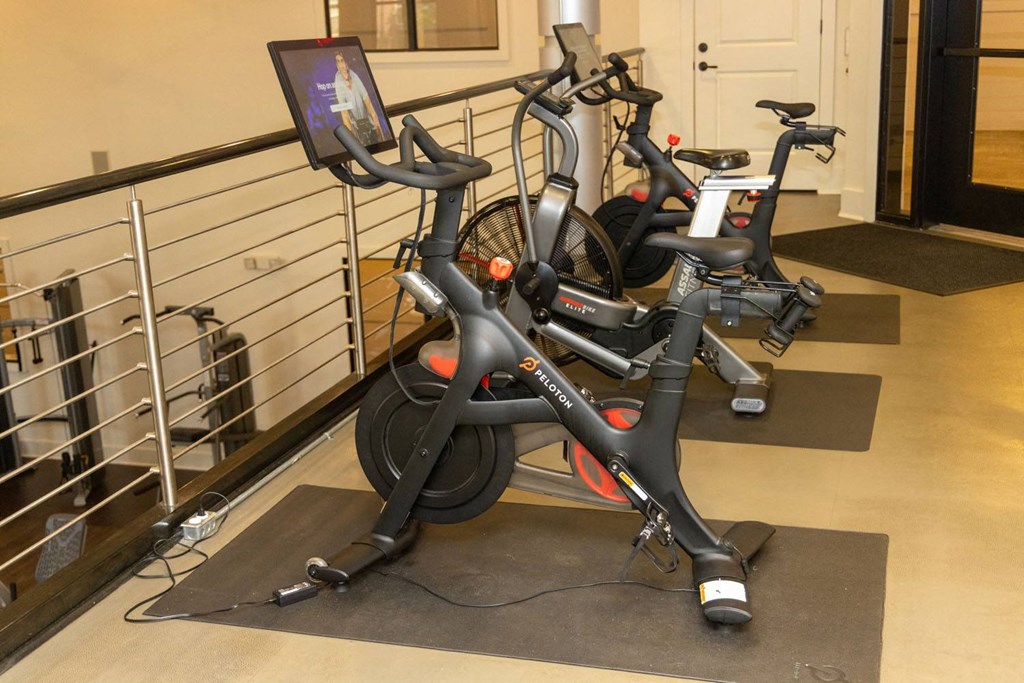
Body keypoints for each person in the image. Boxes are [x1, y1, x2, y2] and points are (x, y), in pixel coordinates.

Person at [333, 51, 385, 146]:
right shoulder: (338, 81)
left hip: (368, 123)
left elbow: (369, 106)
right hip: (356, 128)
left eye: (343, 61)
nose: (342, 65)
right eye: (339, 62)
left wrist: (380, 134)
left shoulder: (355, 76)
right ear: (336, 65)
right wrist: (351, 141)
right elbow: (344, 114)